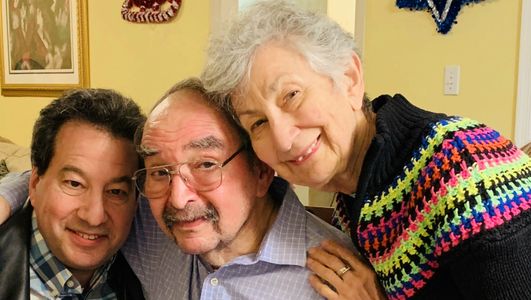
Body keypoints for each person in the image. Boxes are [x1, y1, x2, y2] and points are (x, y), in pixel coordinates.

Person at [200, 1, 531, 299]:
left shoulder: (463, 169)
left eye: (292, 96)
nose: (283, 139)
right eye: (258, 123)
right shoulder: (360, 188)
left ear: (350, 78)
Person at [0, 78, 357, 299]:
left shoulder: (345, 278)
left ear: (261, 171)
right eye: (159, 170)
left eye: (205, 165)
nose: (178, 197)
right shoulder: (149, 220)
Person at [0, 89, 145, 299]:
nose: (94, 217)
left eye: (116, 192)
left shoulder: (144, 265)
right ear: (34, 182)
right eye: (74, 184)